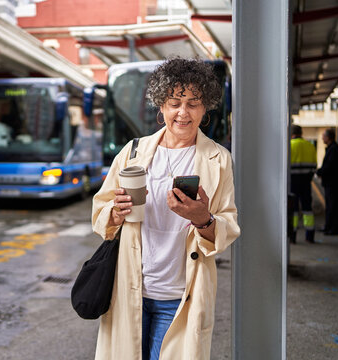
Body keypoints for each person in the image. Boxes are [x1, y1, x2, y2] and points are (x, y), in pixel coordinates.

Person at [92, 57, 240, 360]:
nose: (183, 113)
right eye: (175, 102)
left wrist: (203, 220)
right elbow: (100, 212)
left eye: (193, 103)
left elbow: (227, 226)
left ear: (205, 107)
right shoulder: (132, 152)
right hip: (129, 288)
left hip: (179, 296)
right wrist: (115, 212)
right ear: (161, 106)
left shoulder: (219, 159)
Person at [289, 125, 317, 243]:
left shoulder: (289, 145)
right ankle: (309, 236)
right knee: (307, 209)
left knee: (293, 210)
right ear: (301, 133)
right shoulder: (310, 146)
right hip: (306, 182)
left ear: (291, 133)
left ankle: (293, 236)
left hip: (292, 182)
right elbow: (314, 166)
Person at [316, 128, 338, 235]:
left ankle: (333, 229)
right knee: (330, 206)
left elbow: (329, 166)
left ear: (328, 138)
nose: (322, 138)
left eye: (323, 136)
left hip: (333, 183)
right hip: (332, 183)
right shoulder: (332, 148)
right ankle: (329, 227)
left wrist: (319, 172)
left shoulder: (333, 150)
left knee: (333, 206)